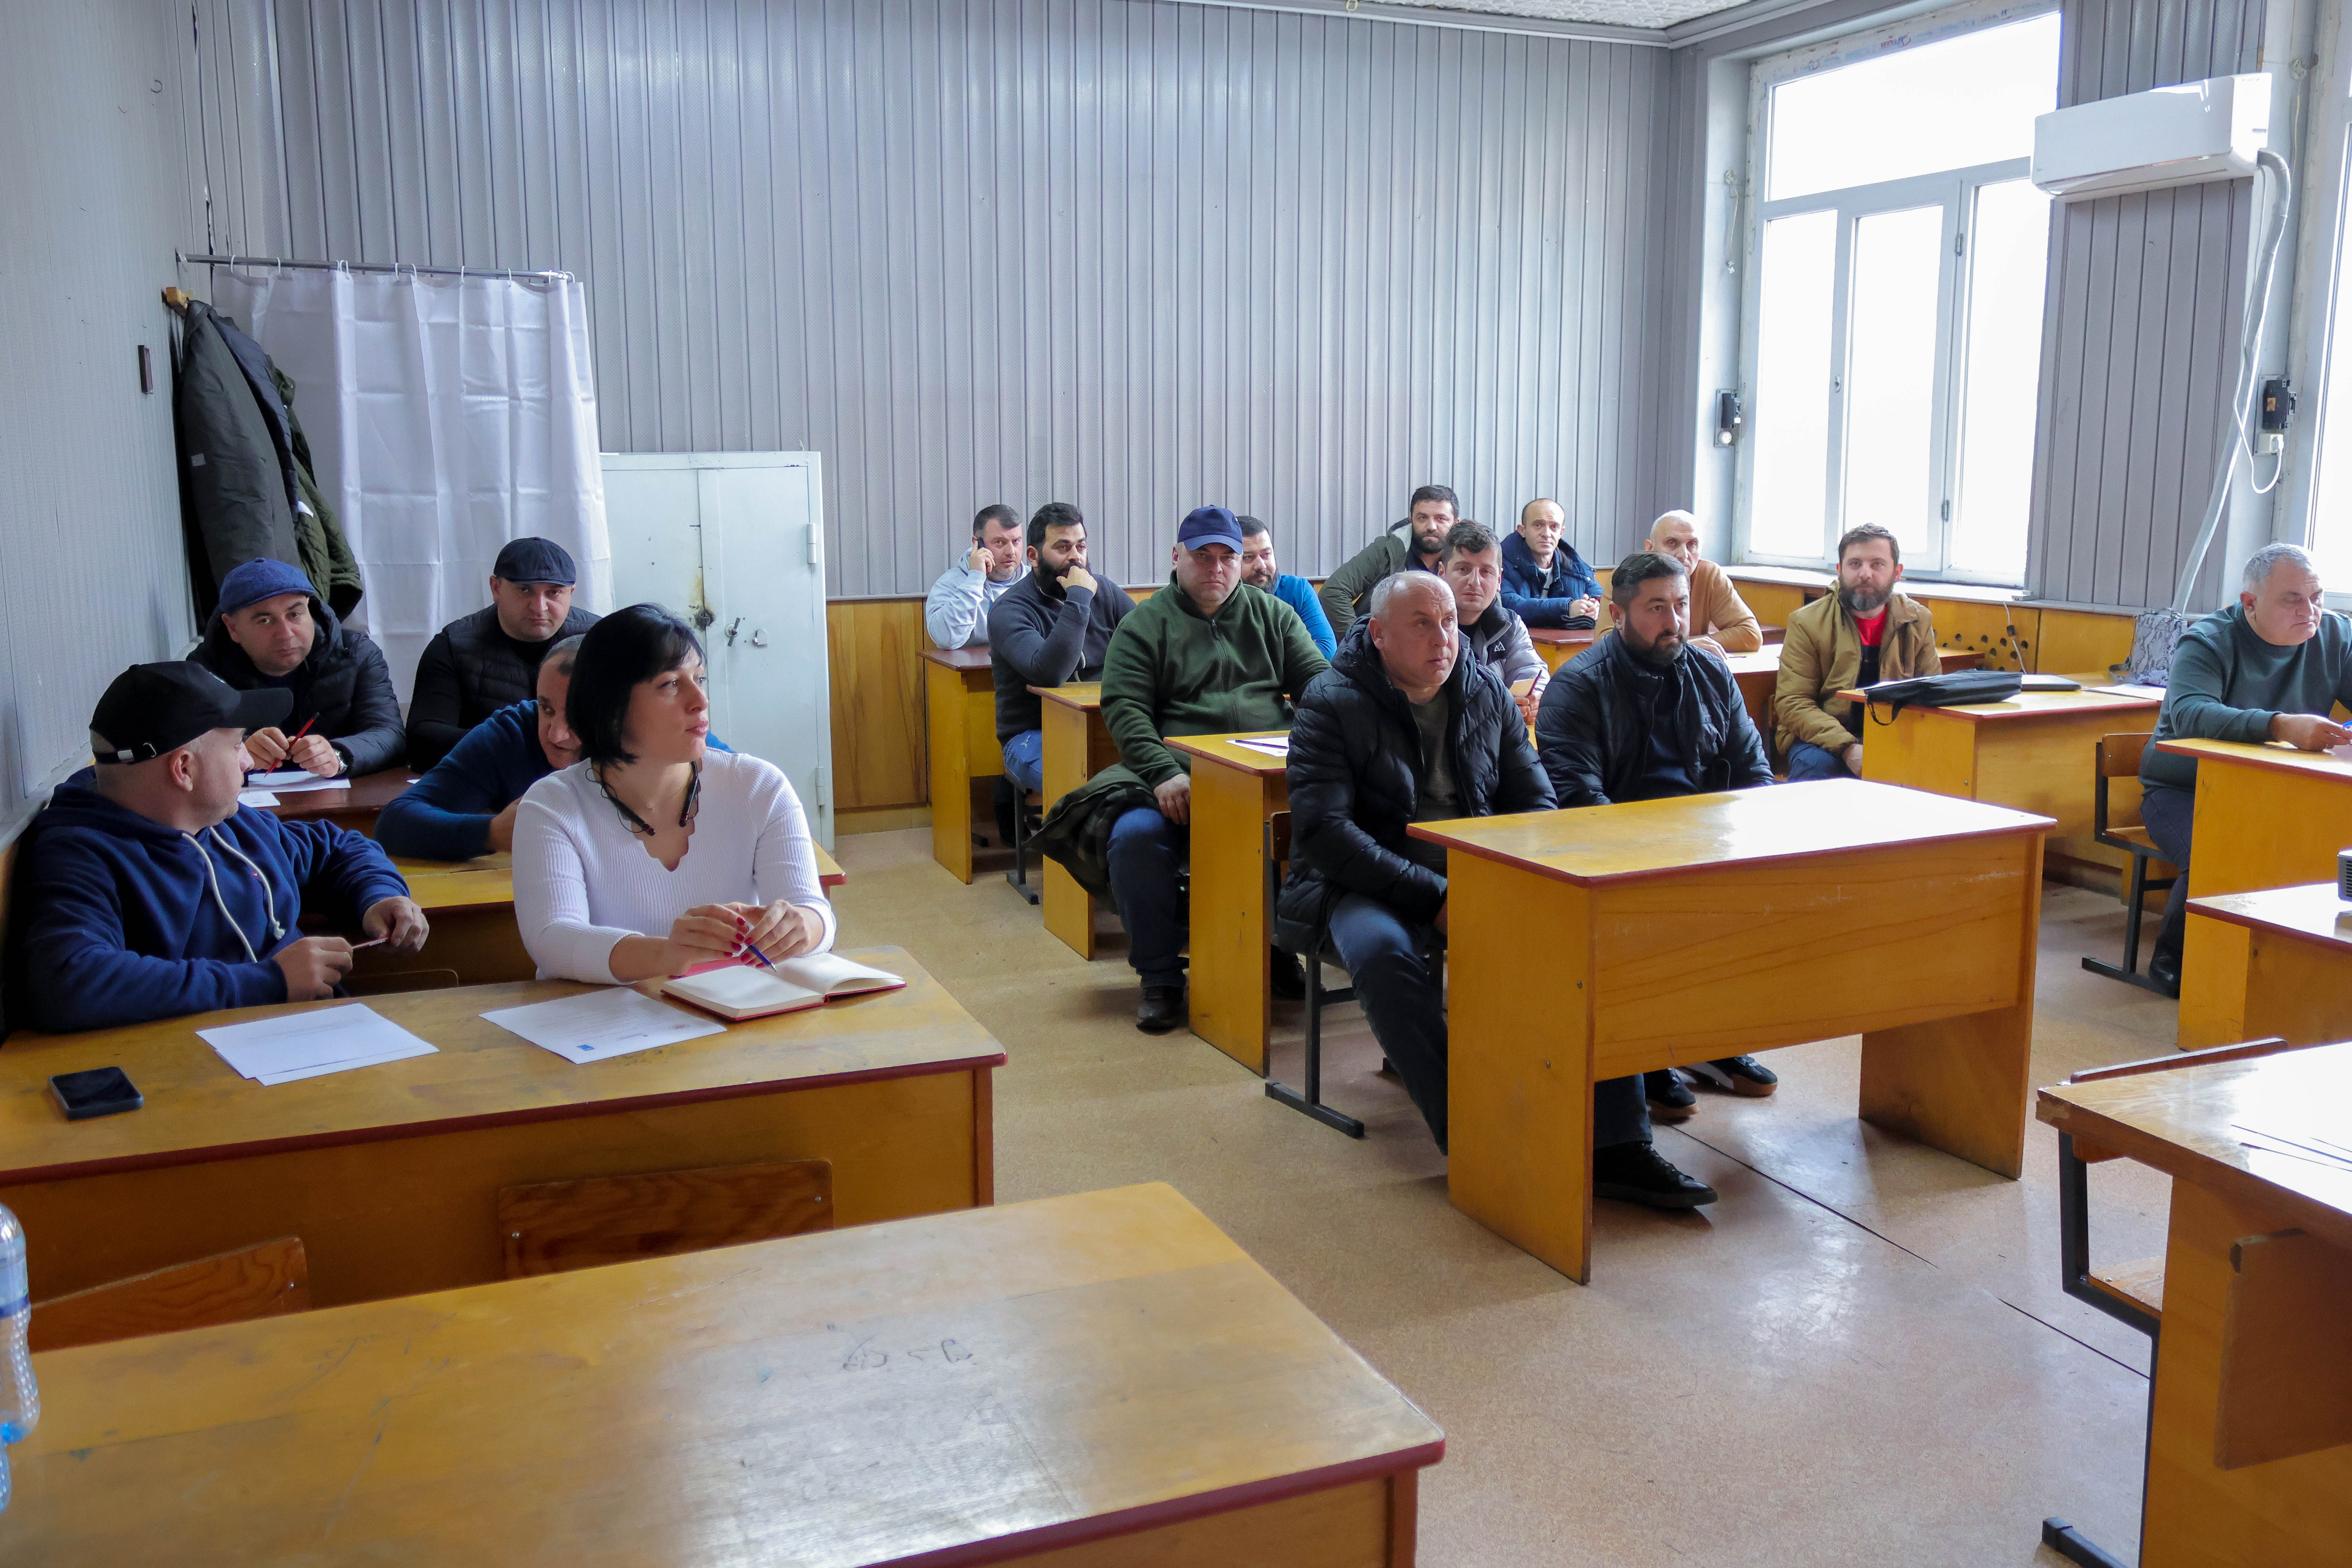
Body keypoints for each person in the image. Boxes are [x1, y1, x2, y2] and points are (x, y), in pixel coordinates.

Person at [1278, 572, 1554, 1153]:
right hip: (1360, 882)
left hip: (1471, 872)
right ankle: (1471, 1133)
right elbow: (1327, 836)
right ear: (1378, 634)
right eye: (1422, 624)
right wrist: (1435, 897)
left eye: (1449, 622)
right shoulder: (1330, 702)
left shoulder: (1484, 692)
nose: (1442, 638)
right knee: (1383, 952)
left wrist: (1506, 879)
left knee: (1568, 939)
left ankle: (1612, 1136)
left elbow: (1535, 804)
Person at [9, 662, 426, 1033]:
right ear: (184, 769)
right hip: (212, 1069)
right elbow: (69, 981)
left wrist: (379, 896)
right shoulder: (80, 852)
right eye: (237, 744)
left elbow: (337, 847)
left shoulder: (228, 820)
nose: (248, 762)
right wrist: (270, 982)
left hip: (313, 1034)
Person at [1538, 551, 1783, 1163]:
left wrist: (1742, 845)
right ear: (1618, 614)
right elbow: (1580, 802)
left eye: (1680, 605)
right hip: (1617, 855)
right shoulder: (1578, 685)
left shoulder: (1710, 672)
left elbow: (1752, 770)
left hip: (1704, 843)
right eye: (1656, 609)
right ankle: (1645, 1057)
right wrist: (1656, 860)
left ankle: (1708, 1037)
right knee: (1649, 918)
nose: (1673, 621)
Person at [512, 605, 836, 984]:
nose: (700, 700)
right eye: (670, 684)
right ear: (611, 705)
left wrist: (804, 926)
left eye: (699, 678)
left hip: (730, 1008)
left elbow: (813, 910)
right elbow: (552, 939)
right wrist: (666, 954)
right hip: (602, 1017)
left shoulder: (758, 786)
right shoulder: (551, 805)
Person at [1100, 506, 1329, 1032]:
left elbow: (1317, 681)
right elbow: (1124, 708)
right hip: (1181, 778)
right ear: (1176, 558)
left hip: (1266, 777)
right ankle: (1159, 976)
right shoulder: (1144, 625)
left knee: (1326, 824)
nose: (1217, 568)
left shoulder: (1273, 616)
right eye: (1203, 556)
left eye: (1228, 557)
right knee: (1134, 838)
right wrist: (1161, 772)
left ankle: (1278, 948)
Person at [2136, 542, 2352, 995]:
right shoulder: (2208, 640)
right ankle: (2174, 957)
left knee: (2322, 844)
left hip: (2276, 788)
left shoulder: (2336, 635)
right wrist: (2279, 724)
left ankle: (2293, 960)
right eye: (2292, 599)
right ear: (2249, 603)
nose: (2310, 611)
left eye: (2316, 597)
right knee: (2217, 851)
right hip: (2184, 788)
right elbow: (2189, 714)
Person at [379, 635, 590, 861]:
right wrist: (493, 832)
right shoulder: (512, 734)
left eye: (576, 716)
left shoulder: (622, 745)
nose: (556, 735)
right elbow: (394, 824)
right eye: (546, 709)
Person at [191, 556, 405, 778]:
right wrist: (239, 751)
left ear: (310, 610)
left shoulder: (356, 653)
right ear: (233, 628)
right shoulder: (202, 671)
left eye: (295, 615)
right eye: (265, 621)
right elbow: (189, 752)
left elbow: (390, 734)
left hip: (339, 794)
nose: (286, 634)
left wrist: (339, 755)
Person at [406, 536, 601, 769]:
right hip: (489, 779)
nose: (539, 607)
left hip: (586, 779)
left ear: (572, 592)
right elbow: (422, 741)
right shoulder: (454, 646)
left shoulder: (601, 641)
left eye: (554, 592)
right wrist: (516, 744)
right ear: (496, 588)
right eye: (525, 590)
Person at [987, 503, 1137, 795]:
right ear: (1033, 556)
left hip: (1108, 723)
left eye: (1081, 546)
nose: (1076, 558)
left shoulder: (1105, 591)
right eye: (1063, 547)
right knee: (1087, 787)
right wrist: (1078, 598)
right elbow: (1050, 674)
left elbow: (1150, 642)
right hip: (1034, 733)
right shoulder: (1009, 610)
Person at [1774, 523, 1938, 780]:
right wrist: (1848, 748)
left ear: (1897, 572)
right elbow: (1793, 702)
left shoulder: (1918, 620)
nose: (1865, 574)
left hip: (1894, 733)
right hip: (1819, 737)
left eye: (1877, 564)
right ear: (1840, 570)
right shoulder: (1807, 622)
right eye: (1855, 564)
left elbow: (1933, 694)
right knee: (1817, 769)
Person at [1438, 521, 1548, 725]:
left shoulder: (1510, 626)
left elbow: (1533, 671)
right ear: (1442, 573)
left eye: (1486, 572)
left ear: (1499, 580)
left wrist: (1532, 700)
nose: (1475, 582)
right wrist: (1499, 706)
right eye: (1463, 569)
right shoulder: (1426, 626)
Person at [1319, 485, 1457, 638]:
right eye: (1422, 518)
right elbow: (1334, 592)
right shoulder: (1387, 550)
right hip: (1384, 646)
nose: (1431, 527)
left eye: (1441, 519)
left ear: (1456, 523)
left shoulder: (1466, 561)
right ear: (1411, 520)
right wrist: (1360, 642)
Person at [1643, 510, 1762, 655]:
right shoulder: (1627, 579)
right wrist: (1683, 647)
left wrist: (1691, 647)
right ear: (1650, 549)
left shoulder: (1709, 575)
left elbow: (1751, 635)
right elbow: (1615, 643)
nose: (1684, 555)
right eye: (1672, 543)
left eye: (1692, 544)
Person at [924, 503, 1026, 648]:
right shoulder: (950, 584)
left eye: (1016, 542)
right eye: (1000, 543)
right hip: (971, 663)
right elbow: (946, 640)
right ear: (978, 544)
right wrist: (976, 579)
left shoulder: (1035, 581)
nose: (1011, 552)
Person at [1237, 514, 1337, 658]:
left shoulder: (1298, 590)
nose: (1261, 565)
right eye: (1248, 557)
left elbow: (1326, 651)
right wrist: (1299, 650)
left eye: (1266, 555)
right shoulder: (1222, 600)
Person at [1499, 498, 1602, 630]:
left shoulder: (1574, 566)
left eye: (1554, 527)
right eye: (1538, 525)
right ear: (1522, 530)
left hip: (1568, 642)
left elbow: (1602, 599)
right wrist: (1567, 608)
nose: (1547, 534)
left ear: (1561, 532)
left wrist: (1594, 608)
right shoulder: (1501, 564)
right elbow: (1511, 607)